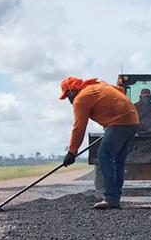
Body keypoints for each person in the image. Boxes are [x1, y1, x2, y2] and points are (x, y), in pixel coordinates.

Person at [60, 76, 141, 210]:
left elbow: (79, 128)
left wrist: (72, 152)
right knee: (118, 160)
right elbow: (120, 91)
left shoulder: (81, 99)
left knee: (104, 155)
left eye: (67, 96)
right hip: (132, 121)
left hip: (120, 122)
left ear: (71, 91)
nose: (69, 100)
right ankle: (114, 197)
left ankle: (110, 197)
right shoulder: (97, 86)